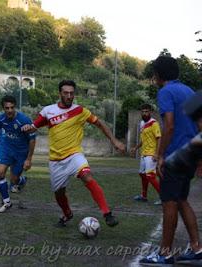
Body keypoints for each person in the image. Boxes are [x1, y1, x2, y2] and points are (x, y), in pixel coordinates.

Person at [21, 80, 125, 227]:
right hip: (56, 160)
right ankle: (67, 213)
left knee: (87, 177)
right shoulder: (48, 111)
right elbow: (34, 126)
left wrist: (114, 141)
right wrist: (27, 127)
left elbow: (100, 124)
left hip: (74, 155)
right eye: (66, 93)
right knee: (59, 193)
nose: (69, 96)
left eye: (71, 93)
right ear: (60, 94)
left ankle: (107, 214)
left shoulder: (80, 111)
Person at [140, 56, 201, 265]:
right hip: (191, 153)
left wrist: (160, 156)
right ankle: (197, 248)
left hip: (175, 155)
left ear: (158, 75)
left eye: (154, 74)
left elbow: (170, 125)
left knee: (169, 203)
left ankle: (165, 253)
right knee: (182, 200)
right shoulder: (190, 91)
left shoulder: (165, 92)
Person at [0, 95, 36, 213]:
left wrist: (29, 159)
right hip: (6, 148)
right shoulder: (1, 119)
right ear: (3, 108)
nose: (9, 110)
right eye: (7, 108)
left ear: (15, 107)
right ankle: (6, 202)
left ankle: (21, 180)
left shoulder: (24, 120)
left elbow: (32, 139)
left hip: (21, 152)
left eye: (12, 107)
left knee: (14, 180)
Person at [130, 104, 161, 204]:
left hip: (151, 154)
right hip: (143, 153)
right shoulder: (142, 124)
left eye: (146, 111)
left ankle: (164, 197)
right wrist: (136, 147)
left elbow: (159, 138)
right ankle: (144, 196)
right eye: (143, 112)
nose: (144, 113)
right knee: (142, 174)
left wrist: (156, 153)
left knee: (150, 176)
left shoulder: (154, 123)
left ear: (150, 112)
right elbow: (143, 140)